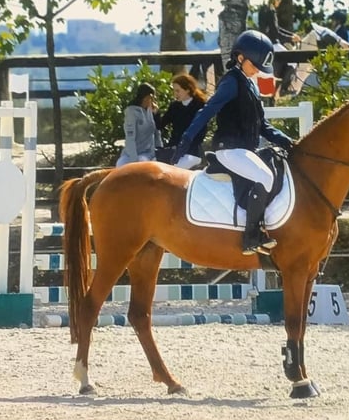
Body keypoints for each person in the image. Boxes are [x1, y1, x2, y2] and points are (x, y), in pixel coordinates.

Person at [170, 30, 294, 255]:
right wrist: (187, 139)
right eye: (254, 65)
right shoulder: (231, 82)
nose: (257, 70)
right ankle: (251, 237)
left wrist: (284, 139)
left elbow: (262, 124)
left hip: (245, 149)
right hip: (229, 149)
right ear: (240, 58)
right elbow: (208, 110)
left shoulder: (250, 85)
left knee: (269, 173)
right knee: (265, 176)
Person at [157, 74, 207, 170]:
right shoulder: (174, 106)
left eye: (178, 91)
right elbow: (161, 125)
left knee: (175, 169)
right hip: (174, 150)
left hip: (191, 151)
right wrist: (156, 113)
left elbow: (201, 132)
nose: (175, 94)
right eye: (174, 91)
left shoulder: (200, 106)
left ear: (187, 89)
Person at [257, 0, 300, 94]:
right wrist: (290, 39)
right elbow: (276, 33)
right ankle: (284, 89)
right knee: (293, 60)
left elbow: (277, 28)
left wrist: (291, 35)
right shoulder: (271, 11)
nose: (279, 1)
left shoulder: (263, 10)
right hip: (273, 44)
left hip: (265, 43)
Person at [116, 82, 161, 167]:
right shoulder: (131, 112)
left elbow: (157, 132)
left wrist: (160, 150)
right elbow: (130, 138)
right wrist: (134, 159)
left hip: (147, 153)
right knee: (120, 164)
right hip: (131, 153)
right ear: (148, 97)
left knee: (142, 163)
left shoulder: (152, 110)